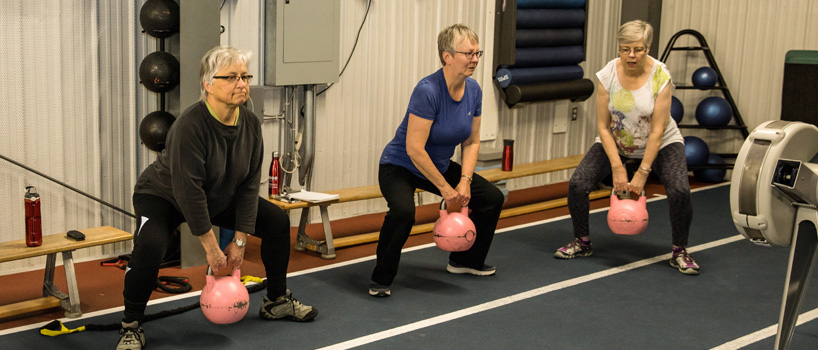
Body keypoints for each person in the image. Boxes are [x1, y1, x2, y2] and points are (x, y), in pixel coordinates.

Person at [117, 46, 317, 350]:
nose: (242, 84)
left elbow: (250, 185)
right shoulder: (189, 126)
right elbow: (189, 193)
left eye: (245, 77)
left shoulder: (249, 123)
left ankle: (276, 301)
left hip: (217, 196)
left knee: (276, 221)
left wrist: (239, 241)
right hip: (163, 195)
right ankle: (131, 324)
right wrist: (211, 248)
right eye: (232, 77)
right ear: (208, 84)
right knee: (151, 244)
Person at [553, 20, 700, 275]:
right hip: (617, 140)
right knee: (578, 184)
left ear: (648, 48)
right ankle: (582, 241)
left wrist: (643, 172)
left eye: (639, 49)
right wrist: (617, 168)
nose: (632, 55)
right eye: (625, 49)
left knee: (679, 190)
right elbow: (602, 126)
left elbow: (657, 130)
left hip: (662, 142)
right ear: (619, 48)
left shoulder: (660, 76)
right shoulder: (607, 75)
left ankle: (680, 250)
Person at [369, 24, 505, 297]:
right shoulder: (428, 90)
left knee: (491, 198)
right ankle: (381, 279)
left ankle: (465, 261)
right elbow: (415, 149)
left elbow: (472, 141)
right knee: (404, 213)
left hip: (439, 166)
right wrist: (446, 190)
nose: (475, 59)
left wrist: (464, 182)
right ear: (447, 56)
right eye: (468, 53)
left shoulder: (474, 90)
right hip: (400, 165)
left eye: (477, 53)